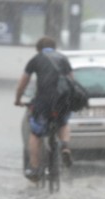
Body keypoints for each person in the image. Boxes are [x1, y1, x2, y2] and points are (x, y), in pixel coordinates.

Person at [14, 36, 73, 181]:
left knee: (36, 133)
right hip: (61, 101)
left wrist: (18, 99)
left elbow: (23, 83)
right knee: (63, 123)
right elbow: (72, 81)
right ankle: (65, 146)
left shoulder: (35, 60)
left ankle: (34, 168)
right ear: (54, 47)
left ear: (38, 48)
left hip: (43, 101)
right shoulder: (63, 59)